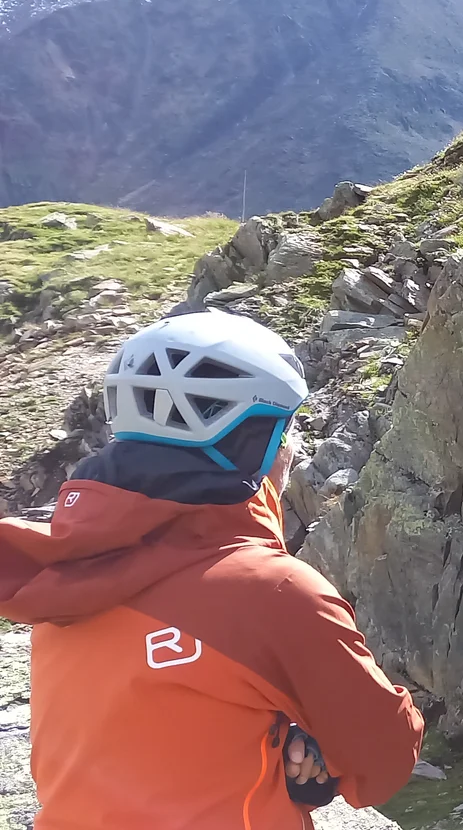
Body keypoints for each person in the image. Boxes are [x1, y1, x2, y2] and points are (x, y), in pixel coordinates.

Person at [0, 309, 424, 827]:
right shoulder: (273, 593)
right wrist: (314, 752)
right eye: (287, 429)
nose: (293, 447)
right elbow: (384, 757)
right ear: (256, 443)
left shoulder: (63, 572)